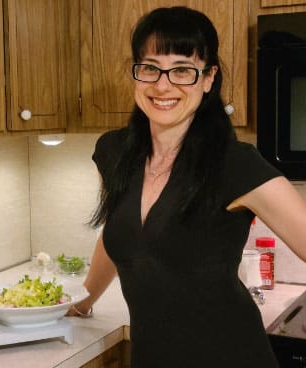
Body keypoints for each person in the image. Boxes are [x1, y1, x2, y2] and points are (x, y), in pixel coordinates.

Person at [67, 6, 306, 368]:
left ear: (208, 78)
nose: (163, 85)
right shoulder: (113, 152)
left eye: (182, 70)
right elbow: (119, 233)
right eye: (150, 68)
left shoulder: (235, 164)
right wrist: (83, 301)